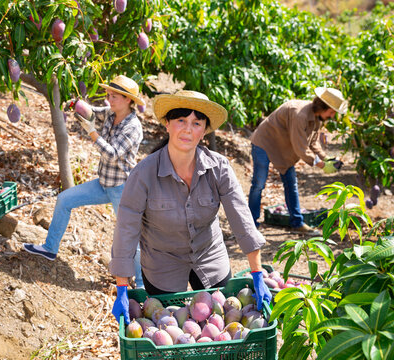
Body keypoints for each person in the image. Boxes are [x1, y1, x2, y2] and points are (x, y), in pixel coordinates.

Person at [109, 90, 272, 324]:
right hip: (162, 261)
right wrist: (122, 288)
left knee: (219, 322)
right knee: (169, 325)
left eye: (197, 123)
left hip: (209, 254)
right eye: (181, 121)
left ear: (204, 130)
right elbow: (126, 228)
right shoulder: (144, 174)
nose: (188, 129)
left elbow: (242, 219)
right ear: (167, 124)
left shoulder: (219, 168)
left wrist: (257, 274)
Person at [23, 75, 144, 289]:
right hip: (104, 183)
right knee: (64, 199)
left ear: (128, 100)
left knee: (129, 235)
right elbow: (95, 112)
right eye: (108, 94)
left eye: (114, 96)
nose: (109, 99)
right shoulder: (112, 112)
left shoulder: (133, 127)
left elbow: (112, 155)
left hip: (122, 189)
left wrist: (92, 132)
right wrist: (77, 106)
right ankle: (50, 248)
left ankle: (143, 284)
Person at [248, 87, 347, 235]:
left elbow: (313, 142)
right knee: (258, 184)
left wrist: (327, 158)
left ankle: (297, 223)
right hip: (265, 143)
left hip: (283, 147)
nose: (332, 116)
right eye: (332, 112)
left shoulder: (316, 119)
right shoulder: (299, 114)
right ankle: (251, 224)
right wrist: (319, 164)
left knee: (291, 184)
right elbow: (300, 147)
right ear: (323, 107)